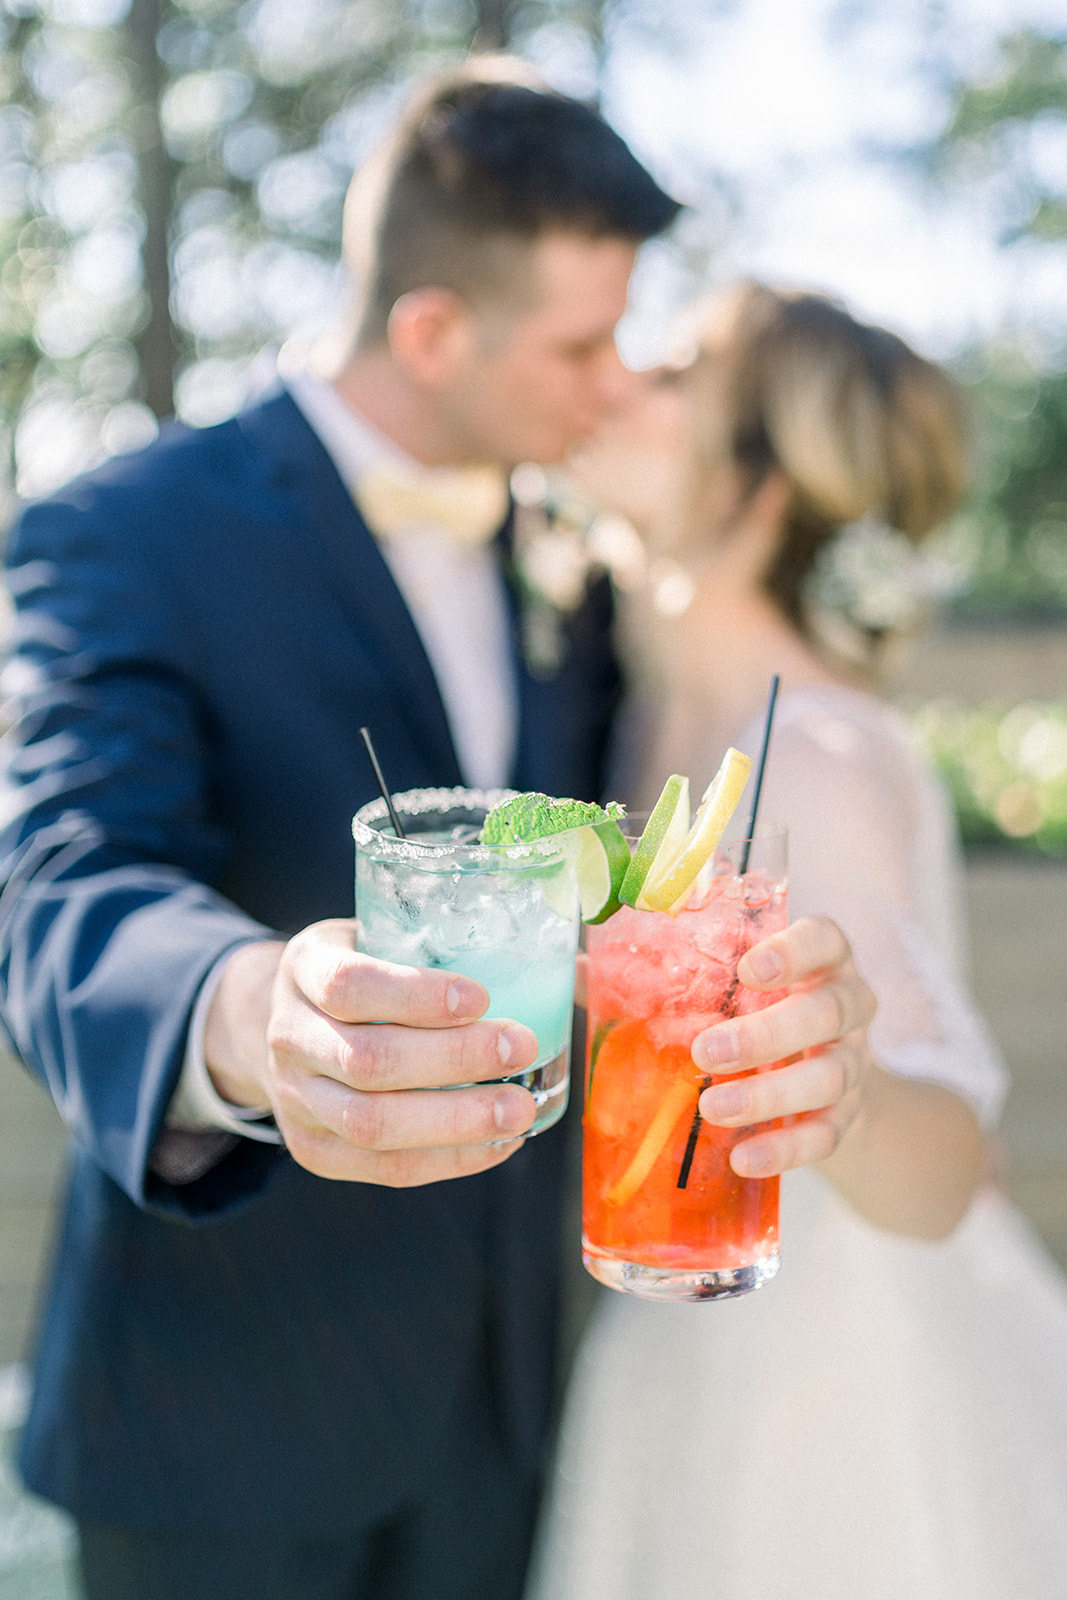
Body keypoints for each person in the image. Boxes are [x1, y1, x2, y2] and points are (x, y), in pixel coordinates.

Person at [0, 64, 881, 1600]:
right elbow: (59, 884)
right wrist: (252, 1015)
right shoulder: (118, 530)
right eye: (581, 346)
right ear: (430, 332)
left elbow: (652, 894)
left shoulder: (579, 570)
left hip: (518, 1423)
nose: (617, 385)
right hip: (221, 1431)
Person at [527, 283, 1067, 1600]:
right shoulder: (647, 724)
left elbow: (958, 1164)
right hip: (668, 1319)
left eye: (672, 373)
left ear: (753, 491)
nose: (619, 374)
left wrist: (854, 1095)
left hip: (837, 1387)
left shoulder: (810, 756)